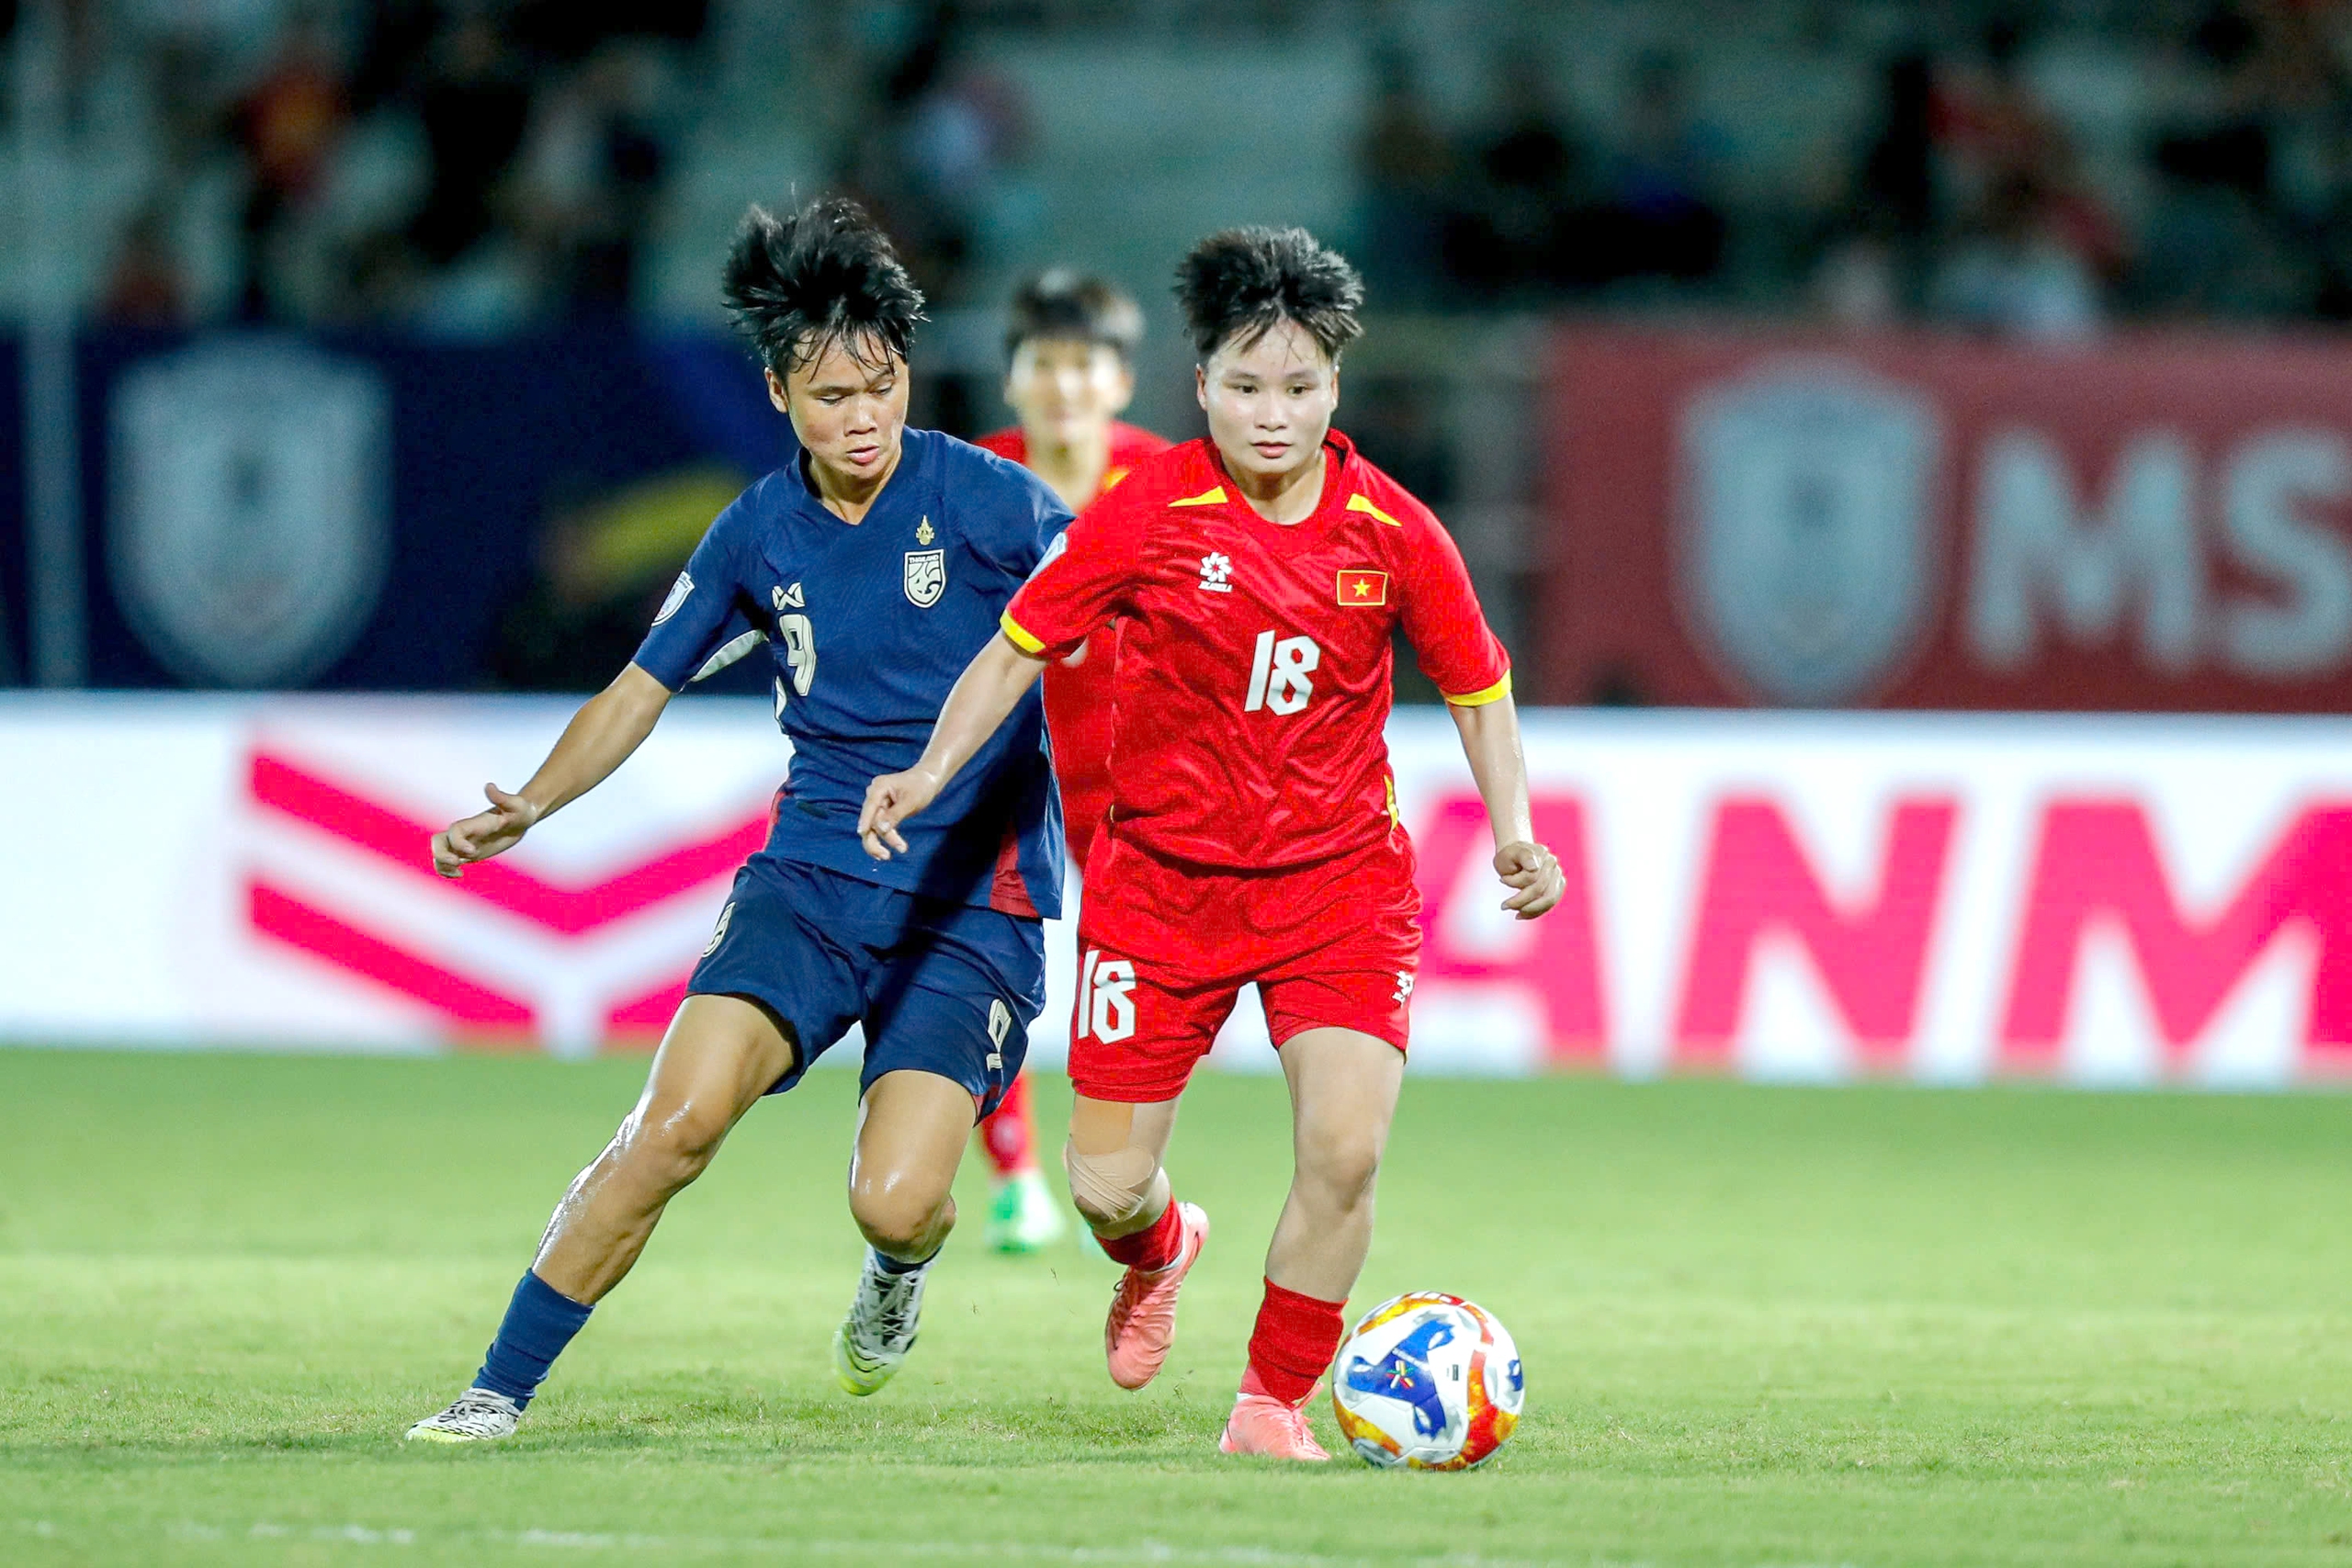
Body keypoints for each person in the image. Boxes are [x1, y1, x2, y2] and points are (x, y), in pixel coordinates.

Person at [858, 227, 1566, 1460]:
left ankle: (1270, 1399)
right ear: (1202, 389)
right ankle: (1163, 1245)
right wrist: (928, 767)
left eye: (1298, 387)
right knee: (1103, 1188)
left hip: (1338, 886)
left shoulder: (1394, 529)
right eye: (1245, 386)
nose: (1272, 412)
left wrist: (1516, 830)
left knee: (1343, 1152)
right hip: (1160, 889)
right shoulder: (1149, 510)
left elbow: (1478, 683)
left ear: (1336, 385)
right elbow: (1017, 644)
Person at [405, 197, 1073, 1442]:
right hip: (810, 881)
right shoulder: (757, 531)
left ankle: (895, 1274)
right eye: (831, 396)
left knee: (898, 1200)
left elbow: (1117, 608)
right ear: (778, 395)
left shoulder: (995, 502)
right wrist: (535, 804)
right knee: (673, 1122)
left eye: (881, 386)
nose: (863, 415)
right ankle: (494, 1389)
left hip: (972, 905)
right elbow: (639, 686)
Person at [967, 269, 1169, 1254]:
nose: (1060, 385)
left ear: (1120, 382)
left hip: (1134, 781)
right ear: (1010, 379)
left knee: (1125, 981)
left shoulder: (1173, 485)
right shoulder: (969, 484)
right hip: (1007, 776)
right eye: (1040, 363)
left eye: (1081, 364)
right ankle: (1016, 1179)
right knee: (972, 967)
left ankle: (1113, 1168)